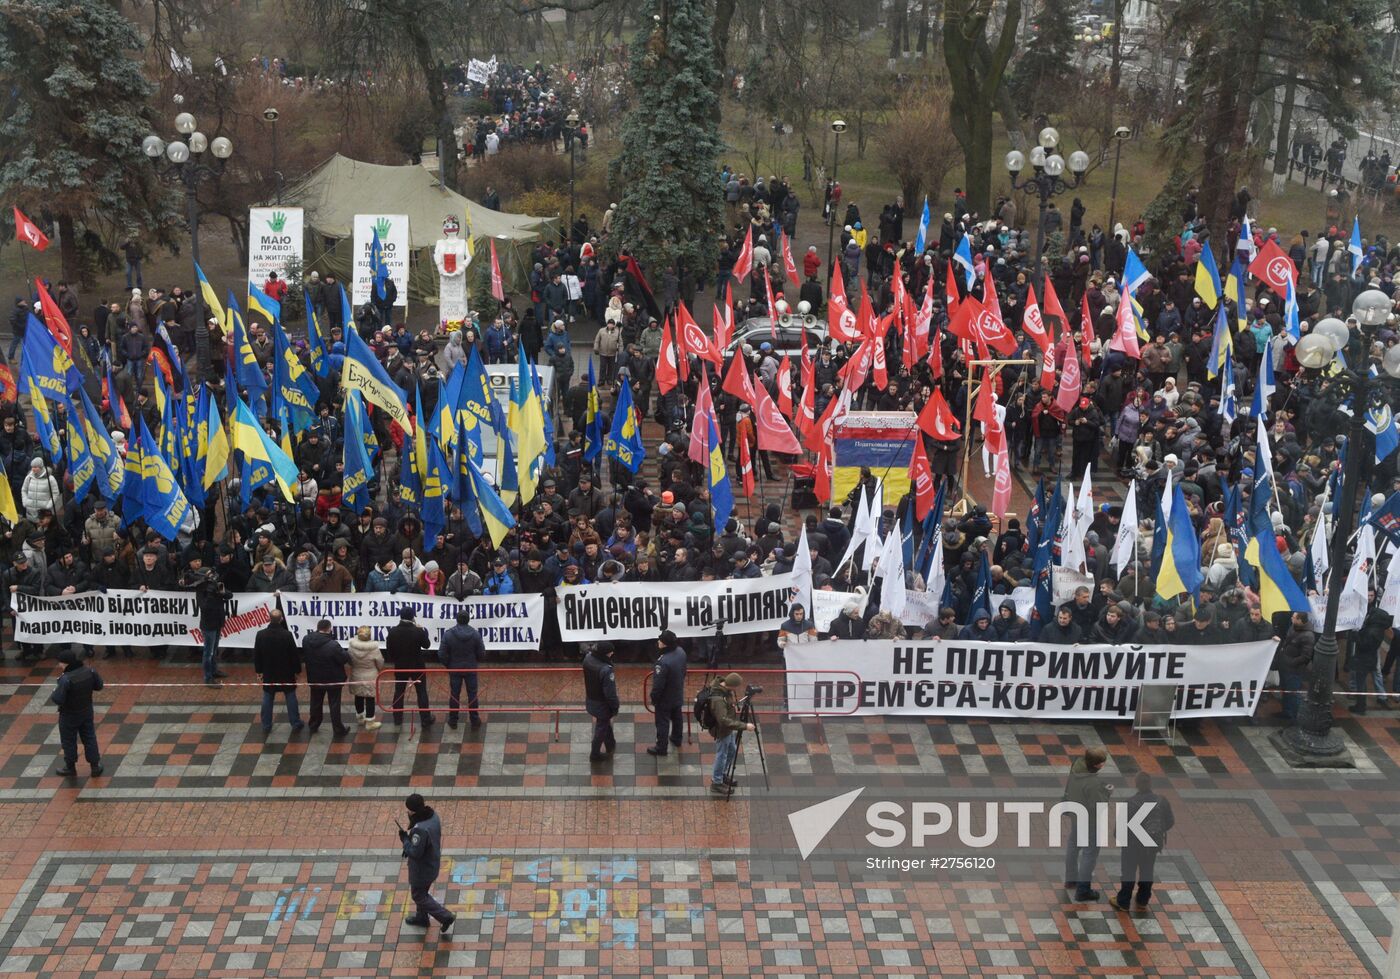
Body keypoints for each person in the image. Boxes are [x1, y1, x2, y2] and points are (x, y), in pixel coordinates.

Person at [1109, 773, 1174, 913]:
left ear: (1136, 784)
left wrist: (1123, 839)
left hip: (1132, 846)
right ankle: (1143, 900)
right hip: (1151, 845)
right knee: (1147, 871)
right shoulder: (1161, 801)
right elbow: (1169, 822)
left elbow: (1118, 831)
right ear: (1150, 784)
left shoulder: (1130, 803)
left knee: (1128, 872)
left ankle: (1123, 901)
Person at [398, 793, 455, 934]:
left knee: (418, 895)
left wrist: (405, 840)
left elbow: (415, 853)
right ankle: (422, 918)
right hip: (432, 862)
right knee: (423, 892)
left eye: (409, 810)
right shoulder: (433, 816)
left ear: (412, 811)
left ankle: (445, 916)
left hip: (422, 869)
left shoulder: (419, 829)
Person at [1062, 746, 1113, 902]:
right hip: (1089, 820)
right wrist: (1107, 792)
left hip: (1075, 812)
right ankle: (1083, 890)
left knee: (1073, 845)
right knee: (1089, 854)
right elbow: (1098, 805)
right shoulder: (1092, 783)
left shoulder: (1076, 765)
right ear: (1098, 764)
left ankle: (1071, 879)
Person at [51, 650, 103, 777]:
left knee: (69, 740)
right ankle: (95, 766)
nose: (59, 665)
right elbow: (99, 686)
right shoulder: (89, 671)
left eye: (61, 663)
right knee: (89, 737)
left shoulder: (66, 679)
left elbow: (57, 699)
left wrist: (54, 691)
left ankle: (70, 767)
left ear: (66, 663)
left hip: (69, 715)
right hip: (86, 711)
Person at [253, 610, 304, 734]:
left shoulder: (261, 634)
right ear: (281, 619)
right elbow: (294, 655)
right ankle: (295, 722)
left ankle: (266, 724)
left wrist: (259, 671)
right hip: (286, 672)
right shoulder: (287, 635)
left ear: (268, 618)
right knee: (290, 696)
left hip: (269, 672)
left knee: (268, 696)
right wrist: (297, 670)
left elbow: (257, 654)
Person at [705, 672, 754, 796]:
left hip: (728, 729)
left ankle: (722, 775)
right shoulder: (718, 699)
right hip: (722, 730)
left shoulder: (725, 691)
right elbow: (723, 720)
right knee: (721, 755)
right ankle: (716, 782)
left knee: (731, 750)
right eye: (736, 686)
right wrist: (744, 726)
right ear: (731, 685)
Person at [302, 617, 352, 736]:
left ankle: (313, 724)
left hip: (314, 677)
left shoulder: (306, 639)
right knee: (334, 704)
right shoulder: (333, 645)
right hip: (332, 679)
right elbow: (344, 658)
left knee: (315, 702)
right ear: (329, 629)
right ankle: (338, 729)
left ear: (318, 628)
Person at [387, 607, 434, 727]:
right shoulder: (417, 631)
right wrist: (421, 630)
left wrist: (397, 659)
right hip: (417, 665)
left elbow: (390, 652)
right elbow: (427, 645)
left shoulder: (393, 632)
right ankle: (425, 718)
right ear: (412, 617)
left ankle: (397, 718)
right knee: (421, 691)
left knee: (399, 691)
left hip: (400, 666)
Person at [439, 608, 484, 729]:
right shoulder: (475, 634)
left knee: (454, 694)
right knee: (472, 695)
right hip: (470, 668)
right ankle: (474, 719)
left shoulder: (448, 634)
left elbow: (442, 654)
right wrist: (474, 661)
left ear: (457, 619)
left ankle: (453, 720)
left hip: (455, 668)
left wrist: (449, 665)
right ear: (468, 620)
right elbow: (481, 653)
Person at [648, 629, 686, 757]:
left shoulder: (662, 662)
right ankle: (677, 738)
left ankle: (661, 747)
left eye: (660, 640)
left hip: (665, 698)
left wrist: (654, 697)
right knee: (677, 717)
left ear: (665, 644)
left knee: (662, 722)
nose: (658, 642)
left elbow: (658, 685)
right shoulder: (680, 652)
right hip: (677, 692)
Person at [582, 640, 620, 761]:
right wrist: (615, 706)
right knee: (601, 727)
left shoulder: (588, 659)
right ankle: (595, 754)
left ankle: (610, 743)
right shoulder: (606, 669)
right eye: (610, 653)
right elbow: (610, 693)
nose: (612, 654)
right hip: (602, 704)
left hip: (591, 699)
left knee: (604, 723)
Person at [348, 625, 384, 730]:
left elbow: (349, 660)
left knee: (358, 696)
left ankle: (360, 718)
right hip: (370, 675)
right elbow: (380, 663)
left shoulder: (351, 647)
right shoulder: (374, 649)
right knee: (370, 698)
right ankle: (370, 722)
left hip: (356, 674)